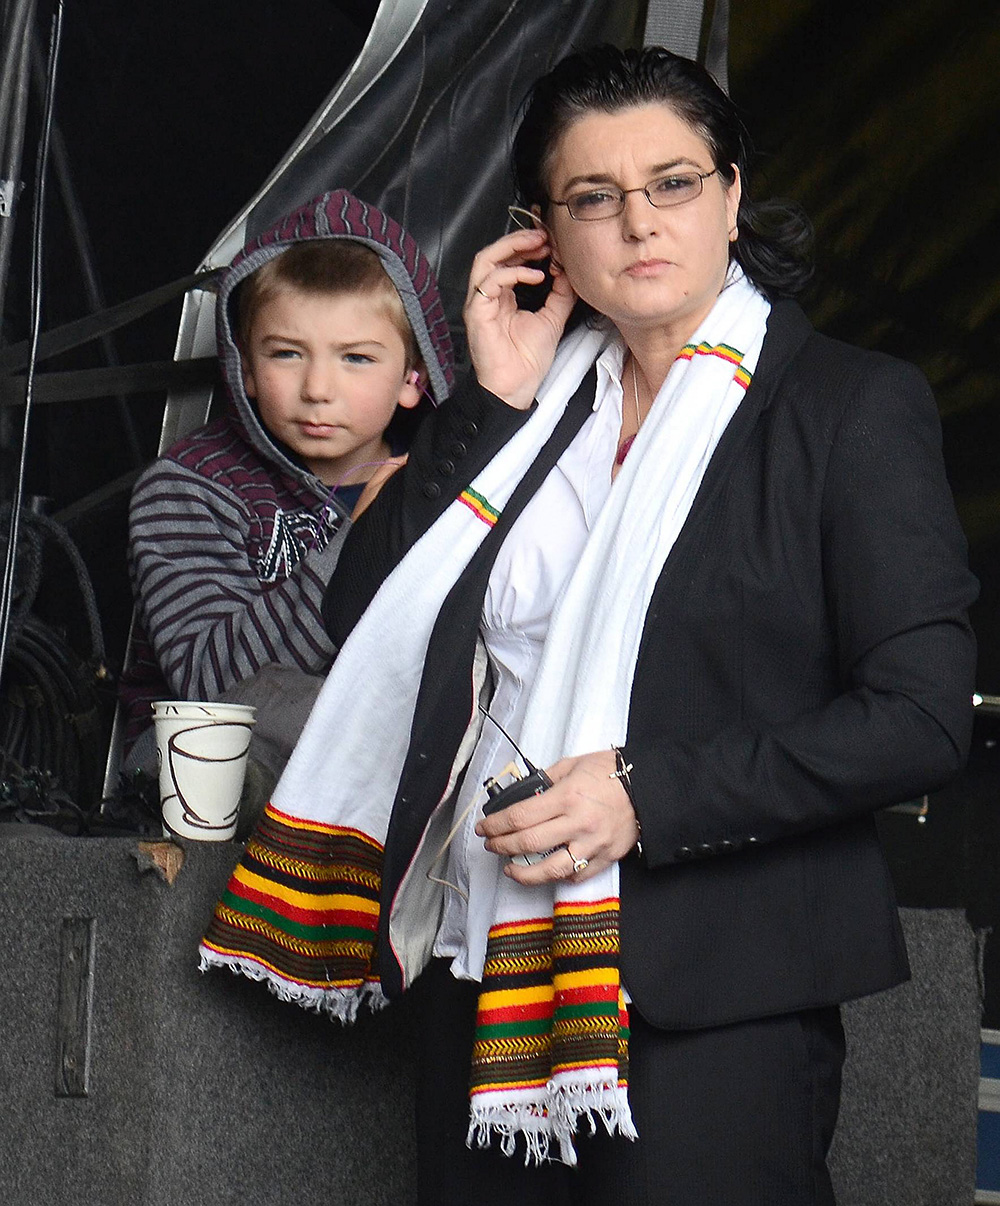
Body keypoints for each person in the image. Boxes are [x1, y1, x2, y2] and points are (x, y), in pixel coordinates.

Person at [200, 48, 977, 1204]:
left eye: (671, 183)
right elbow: (362, 613)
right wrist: (486, 402)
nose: (638, 223)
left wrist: (642, 795)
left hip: (712, 992)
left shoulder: (847, 409)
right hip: (485, 962)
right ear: (543, 232)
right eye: (592, 198)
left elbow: (917, 720)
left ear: (729, 192)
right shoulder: (529, 400)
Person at [119, 189, 454, 804]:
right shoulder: (187, 489)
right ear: (244, 367)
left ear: (414, 377)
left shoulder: (452, 492)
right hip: (221, 773)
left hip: (399, 774)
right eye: (286, 354)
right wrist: (366, 539)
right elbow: (211, 685)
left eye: (355, 358)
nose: (318, 388)